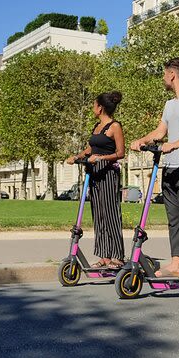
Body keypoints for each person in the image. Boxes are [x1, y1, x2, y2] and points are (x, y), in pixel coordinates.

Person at [130, 57, 179, 279]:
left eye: (165, 73)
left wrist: (174, 144)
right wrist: (142, 140)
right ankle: (176, 262)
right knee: (174, 216)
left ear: (172, 74)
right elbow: (159, 132)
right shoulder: (170, 104)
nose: (164, 78)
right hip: (172, 167)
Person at [66, 91, 126, 268]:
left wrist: (100, 158)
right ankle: (104, 256)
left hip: (108, 173)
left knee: (111, 214)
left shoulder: (115, 126)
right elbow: (89, 149)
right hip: (94, 173)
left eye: (94, 105)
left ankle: (118, 256)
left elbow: (121, 153)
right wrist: (76, 157)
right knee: (98, 215)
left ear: (100, 107)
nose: (93, 107)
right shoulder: (97, 126)